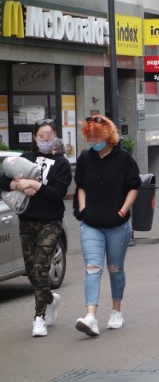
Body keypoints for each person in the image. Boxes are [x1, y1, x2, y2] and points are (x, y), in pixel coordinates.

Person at [0, 118, 72, 337]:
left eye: (50, 134)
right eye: (42, 135)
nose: (46, 139)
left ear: (56, 136)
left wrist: (35, 185)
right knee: (32, 272)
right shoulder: (25, 158)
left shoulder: (61, 164)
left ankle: (38, 317)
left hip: (50, 222)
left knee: (41, 267)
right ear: (35, 137)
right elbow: (3, 181)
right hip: (26, 220)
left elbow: (56, 194)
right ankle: (50, 299)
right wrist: (16, 184)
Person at [73, 114, 141, 337]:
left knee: (115, 268)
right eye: (90, 137)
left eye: (97, 137)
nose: (93, 142)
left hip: (117, 224)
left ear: (108, 136)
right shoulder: (85, 158)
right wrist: (83, 209)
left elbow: (134, 187)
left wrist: (122, 210)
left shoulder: (124, 159)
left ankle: (116, 311)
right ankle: (91, 316)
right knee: (92, 267)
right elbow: (80, 185)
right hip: (91, 222)